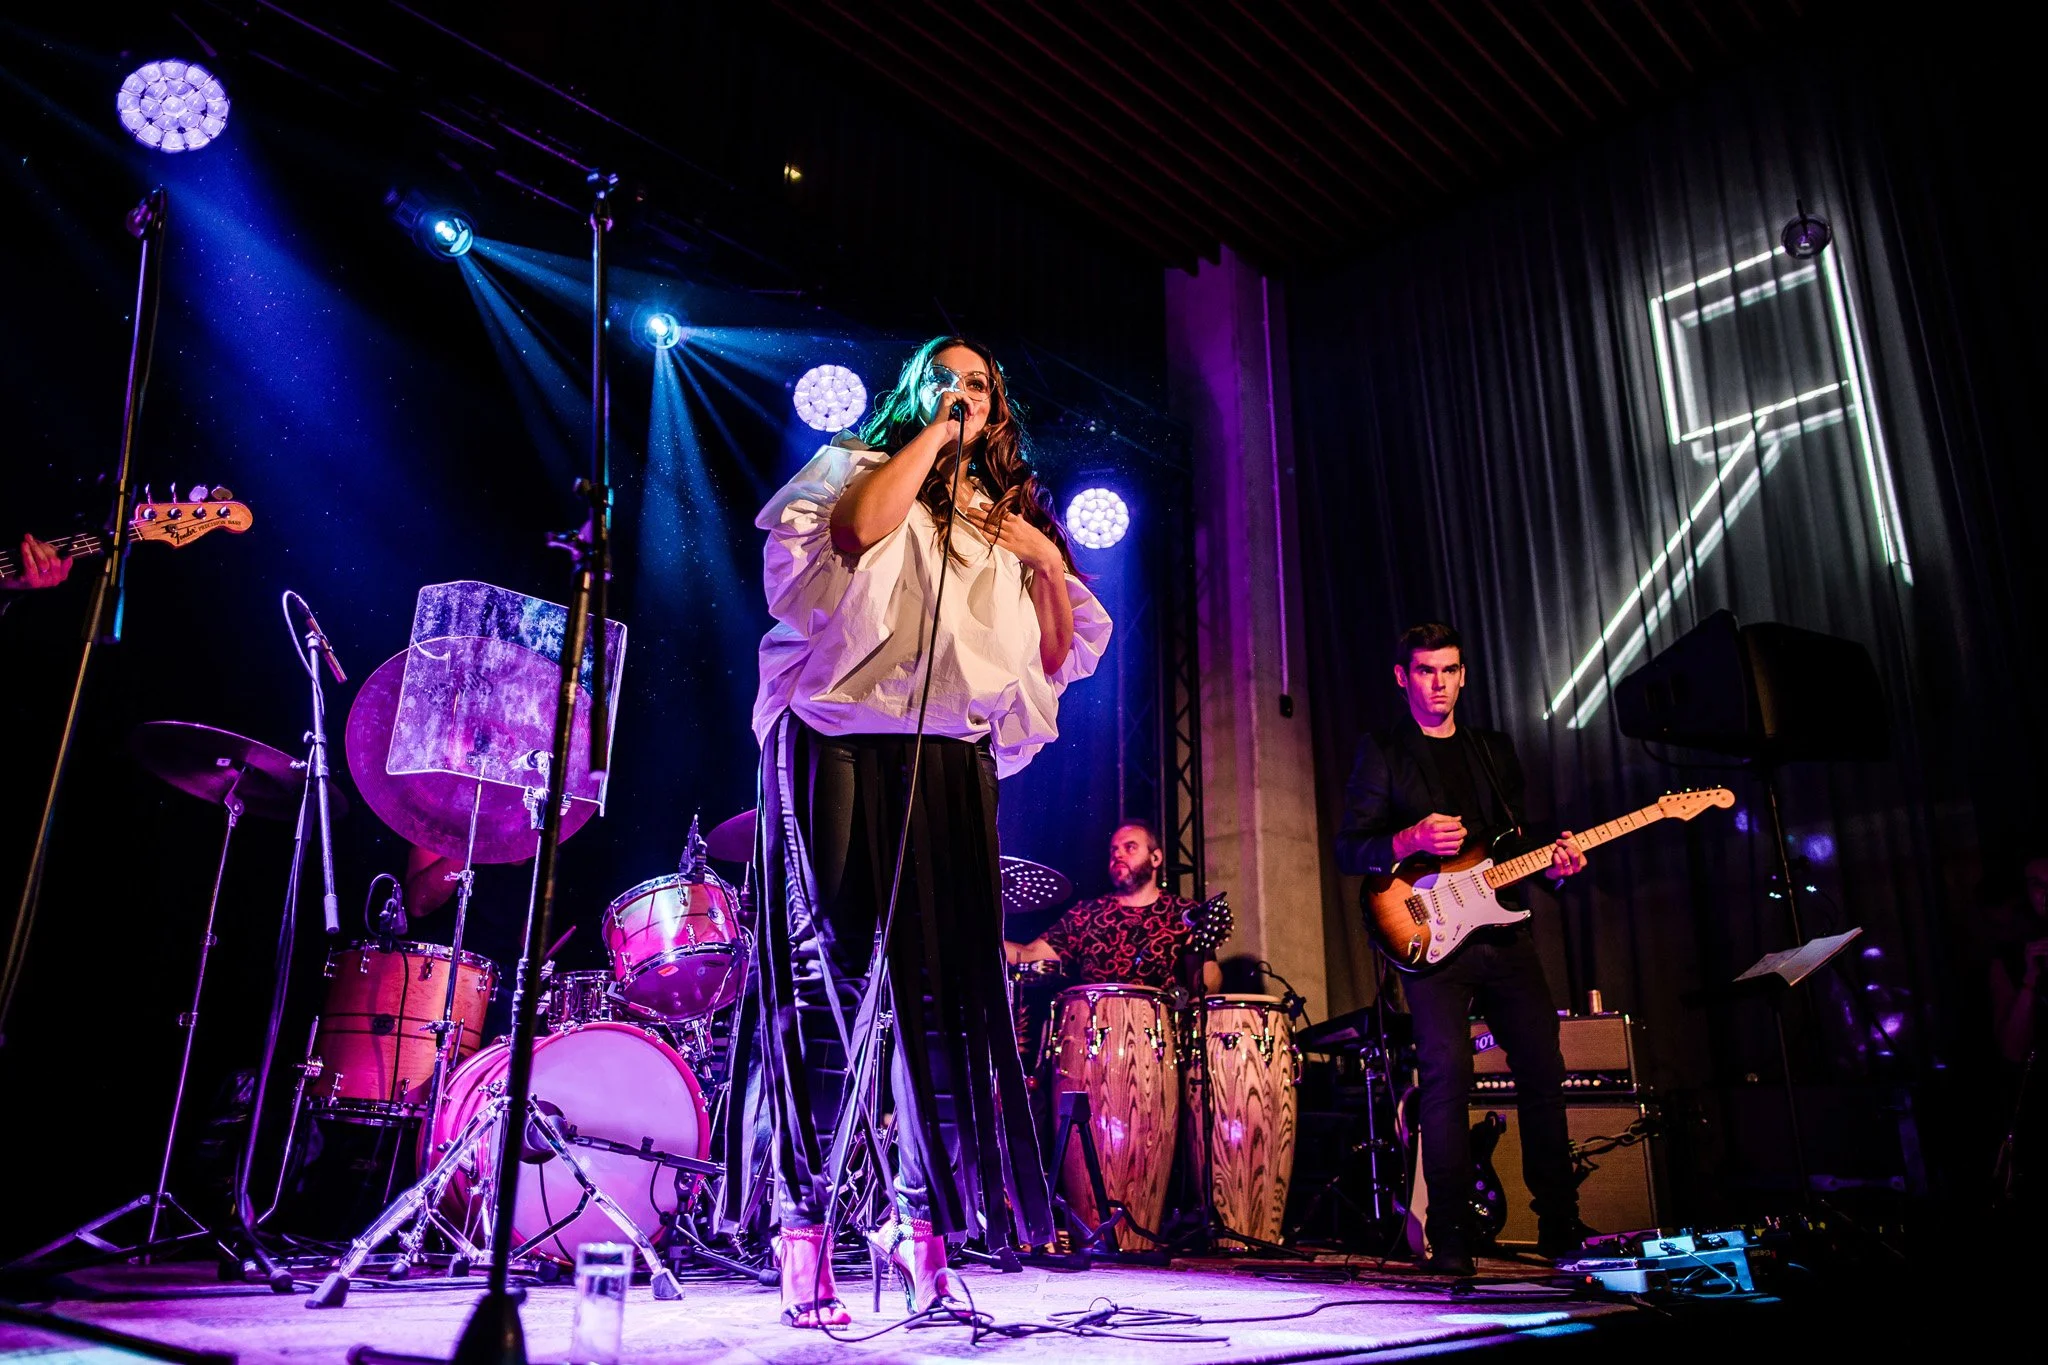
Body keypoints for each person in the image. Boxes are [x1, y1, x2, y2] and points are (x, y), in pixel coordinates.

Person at [725, 336, 1112, 1327]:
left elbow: (1058, 657)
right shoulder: (857, 466)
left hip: (948, 753)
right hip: (835, 732)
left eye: (979, 384)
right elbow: (853, 537)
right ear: (914, 394)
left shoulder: (1003, 520)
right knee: (826, 987)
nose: (961, 393)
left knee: (942, 1003)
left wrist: (1042, 562)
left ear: (1002, 408)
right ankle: (801, 1229)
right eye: (944, 379)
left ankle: (918, 1226)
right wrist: (933, 437)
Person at [1334, 622, 1588, 1276]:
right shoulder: (1383, 750)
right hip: (1432, 935)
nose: (1438, 683)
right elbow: (1348, 847)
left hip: (1505, 932)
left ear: (1464, 674)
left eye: (1449, 670)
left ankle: (1561, 1224)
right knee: (1447, 1074)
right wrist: (1405, 837)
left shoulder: (1493, 750)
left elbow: (1515, 845)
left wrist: (1556, 866)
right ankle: (1448, 1233)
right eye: (1425, 671)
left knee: (1543, 1067)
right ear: (1403, 677)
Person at [1007, 819, 1222, 995]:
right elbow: (1030, 954)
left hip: (1163, 1039)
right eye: (1114, 850)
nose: (1118, 855)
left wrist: (1201, 951)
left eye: (1130, 848)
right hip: (1095, 1037)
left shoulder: (1184, 914)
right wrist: (980, 937)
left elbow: (1206, 989)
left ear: (1155, 858)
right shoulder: (1087, 914)